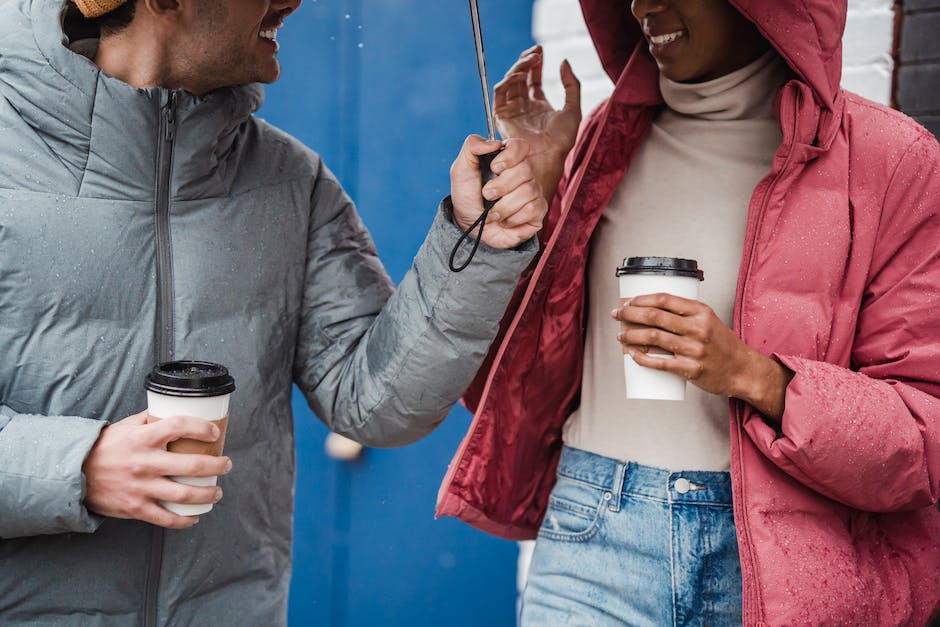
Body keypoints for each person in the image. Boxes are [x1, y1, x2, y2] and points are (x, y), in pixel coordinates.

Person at [0, 0, 548, 623]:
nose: (293, 3)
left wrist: (478, 245)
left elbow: (373, 402)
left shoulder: (292, 181)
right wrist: (76, 466)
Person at [436, 0, 940, 624]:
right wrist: (539, 199)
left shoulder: (891, 163)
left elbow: (925, 435)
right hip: (595, 535)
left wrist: (755, 376)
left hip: (781, 563)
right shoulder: (603, 140)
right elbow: (501, 375)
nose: (645, 5)